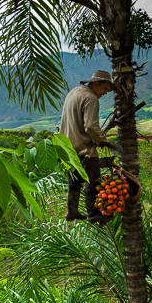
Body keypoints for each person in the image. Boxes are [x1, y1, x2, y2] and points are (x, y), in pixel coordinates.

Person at [59, 70, 119, 223]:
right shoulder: (91, 98)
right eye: (104, 88)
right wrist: (104, 140)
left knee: (74, 181)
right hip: (85, 149)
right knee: (93, 181)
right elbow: (91, 127)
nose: (105, 93)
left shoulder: (74, 92)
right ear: (95, 83)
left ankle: (72, 211)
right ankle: (94, 213)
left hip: (67, 149)